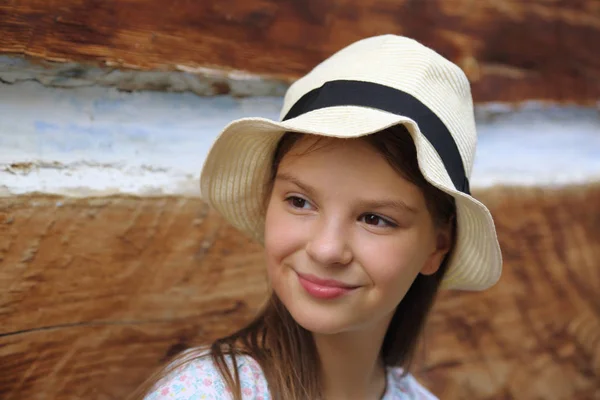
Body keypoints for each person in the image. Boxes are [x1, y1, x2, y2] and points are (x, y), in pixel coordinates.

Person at [133, 34, 502, 399]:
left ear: (437, 247)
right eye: (299, 202)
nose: (327, 250)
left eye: (374, 219)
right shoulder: (206, 393)